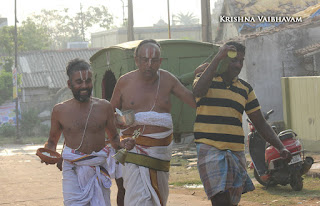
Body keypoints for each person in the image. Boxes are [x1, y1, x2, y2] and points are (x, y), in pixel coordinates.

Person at [192, 41, 292, 206]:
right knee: (219, 197)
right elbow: (198, 91)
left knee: (231, 201)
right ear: (223, 59)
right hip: (209, 148)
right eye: (233, 60)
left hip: (235, 151)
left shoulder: (245, 89)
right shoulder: (206, 79)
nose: (238, 65)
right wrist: (217, 58)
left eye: (241, 61)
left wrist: (280, 147)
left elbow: (260, 122)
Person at [110, 39, 196, 206]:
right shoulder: (124, 81)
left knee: (158, 198)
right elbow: (109, 114)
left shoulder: (168, 80)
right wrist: (119, 121)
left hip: (160, 153)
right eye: (144, 60)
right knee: (138, 199)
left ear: (160, 62)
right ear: (136, 60)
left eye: (154, 60)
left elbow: (193, 101)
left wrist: (203, 76)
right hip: (132, 150)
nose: (149, 65)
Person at [43, 58, 135, 206]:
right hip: (72, 169)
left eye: (88, 81)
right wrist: (49, 153)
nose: (84, 86)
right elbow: (52, 141)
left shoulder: (104, 107)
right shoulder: (59, 110)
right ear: (69, 84)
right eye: (79, 82)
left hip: (97, 166)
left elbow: (114, 138)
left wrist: (124, 144)